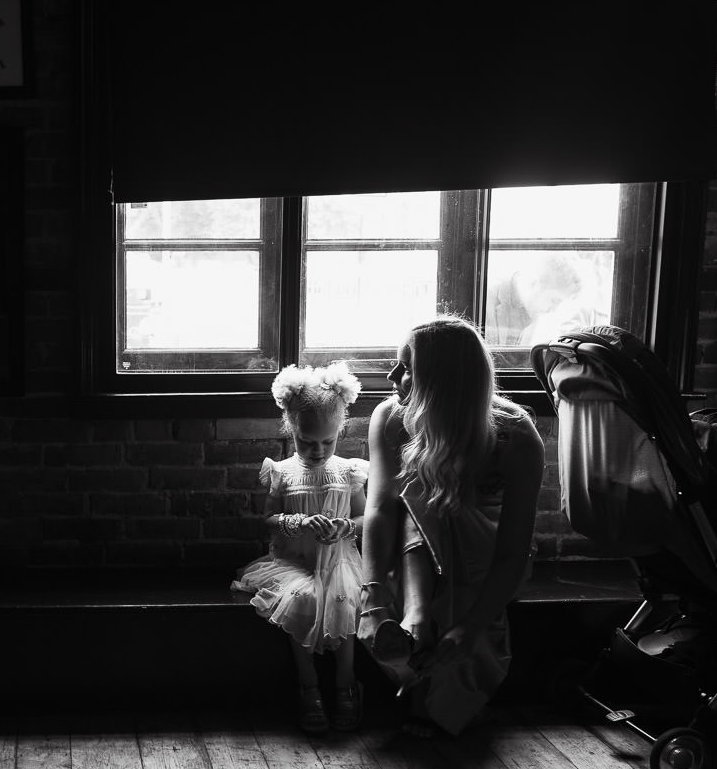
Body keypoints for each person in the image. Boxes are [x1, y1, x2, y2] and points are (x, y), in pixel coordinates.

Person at [357, 316, 544, 737]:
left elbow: (514, 550)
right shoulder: (390, 417)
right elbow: (381, 510)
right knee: (415, 503)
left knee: (448, 525)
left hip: (484, 555)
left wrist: (471, 627)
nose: (391, 376)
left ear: (442, 382)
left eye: (406, 368)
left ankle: (422, 634)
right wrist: (371, 599)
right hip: (410, 551)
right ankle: (416, 618)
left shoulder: (516, 437)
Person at [231, 362, 367, 734]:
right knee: (304, 599)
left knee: (344, 601)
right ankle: (308, 688)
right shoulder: (282, 471)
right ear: (292, 430)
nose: (319, 450)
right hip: (294, 562)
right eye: (308, 442)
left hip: (338, 561)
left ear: (340, 430)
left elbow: (364, 518)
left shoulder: (349, 471)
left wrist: (344, 526)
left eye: (328, 441)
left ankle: (346, 683)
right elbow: (269, 518)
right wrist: (300, 523)